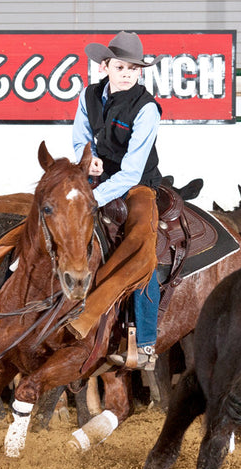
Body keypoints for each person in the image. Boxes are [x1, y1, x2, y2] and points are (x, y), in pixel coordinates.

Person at [68, 31, 163, 370]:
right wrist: (86, 157)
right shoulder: (88, 96)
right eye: (121, 67)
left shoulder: (147, 108)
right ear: (105, 66)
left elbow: (132, 171)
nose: (127, 74)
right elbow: (80, 137)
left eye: (134, 69)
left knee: (142, 246)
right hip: (96, 179)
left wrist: (91, 197)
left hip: (139, 185)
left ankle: (147, 344)